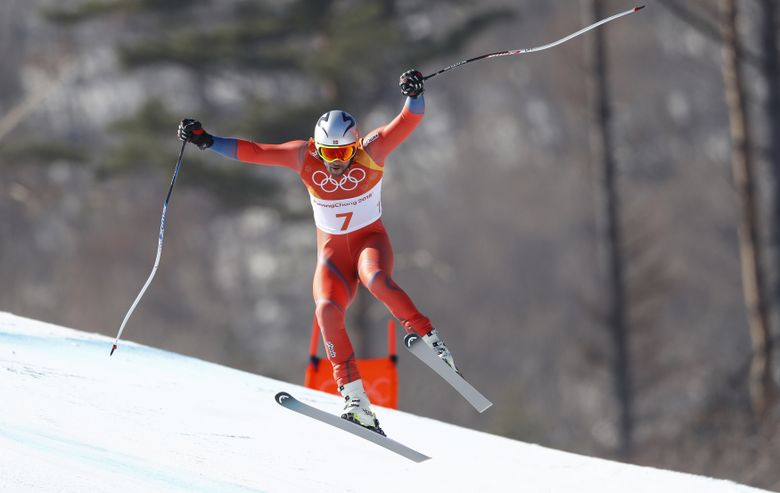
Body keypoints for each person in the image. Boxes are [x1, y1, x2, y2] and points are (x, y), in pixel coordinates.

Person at [178, 70, 458, 436]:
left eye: (342, 153)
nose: (336, 162)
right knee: (325, 310)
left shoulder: (372, 151)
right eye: (329, 153)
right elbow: (255, 151)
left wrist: (414, 93)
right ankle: (356, 401)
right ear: (317, 146)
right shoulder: (302, 156)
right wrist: (206, 140)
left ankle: (431, 339)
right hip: (331, 256)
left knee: (376, 280)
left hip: (368, 244)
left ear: (354, 146)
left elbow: (409, 119)